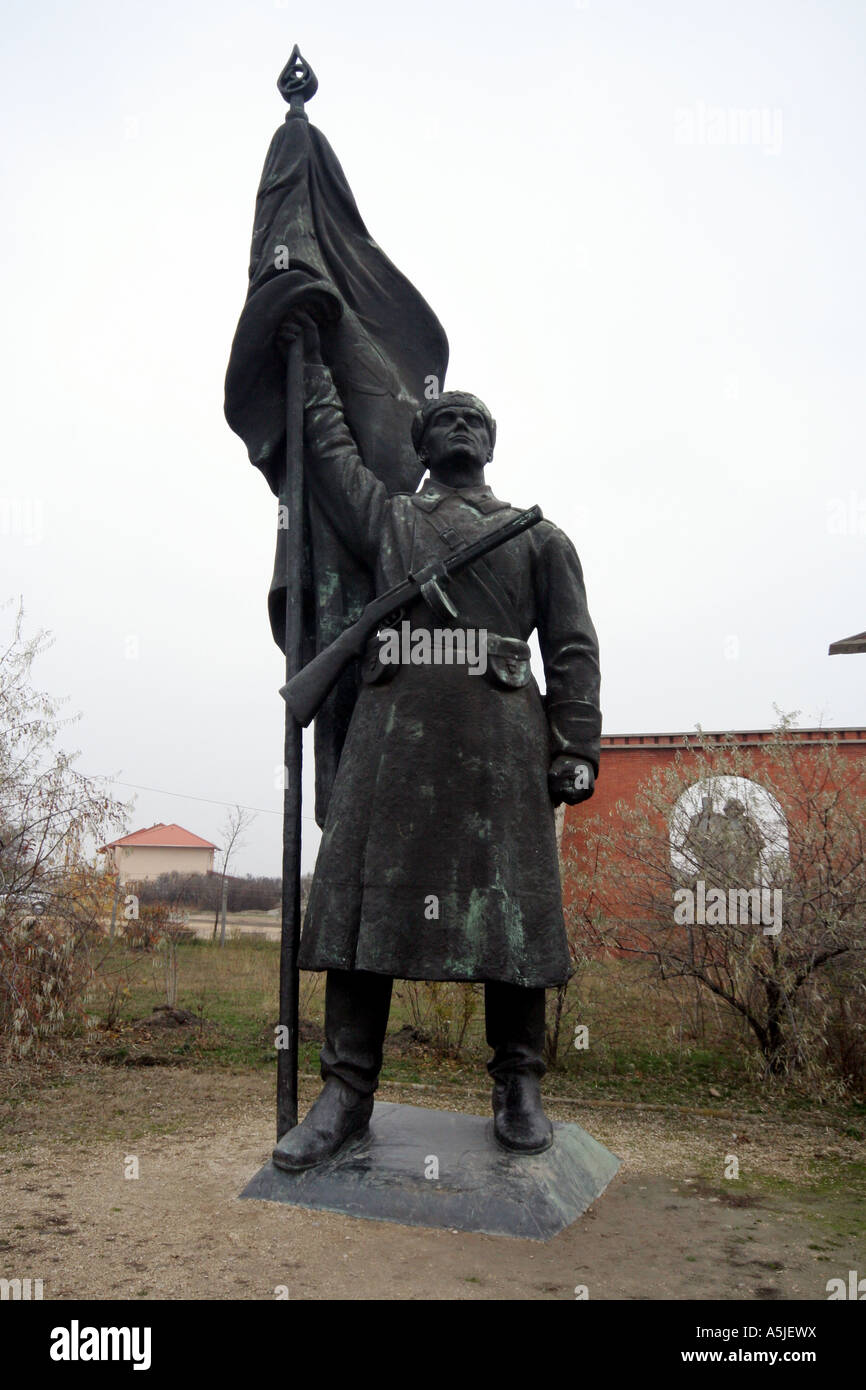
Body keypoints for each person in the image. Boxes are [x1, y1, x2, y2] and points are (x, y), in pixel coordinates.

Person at [273, 314, 602, 1169]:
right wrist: (305, 363)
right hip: (395, 738)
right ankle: (345, 1093)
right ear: (422, 440)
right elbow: (330, 449)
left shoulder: (539, 537)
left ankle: (518, 1087)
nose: (460, 425)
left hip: (499, 742)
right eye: (445, 417)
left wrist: (574, 746)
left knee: (513, 920)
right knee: (365, 911)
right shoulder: (387, 518)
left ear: (492, 443)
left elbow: (571, 651)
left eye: (475, 419)